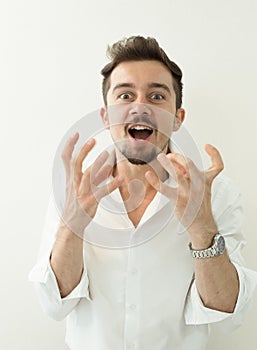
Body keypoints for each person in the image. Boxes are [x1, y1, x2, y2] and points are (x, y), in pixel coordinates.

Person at [29, 36, 257, 350]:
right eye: (125, 95)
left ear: (178, 119)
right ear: (106, 117)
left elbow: (229, 314)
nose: (140, 106)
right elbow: (54, 306)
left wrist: (201, 226)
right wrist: (73, 226)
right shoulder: (73, 190)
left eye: (156, 96)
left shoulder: (217, 195)